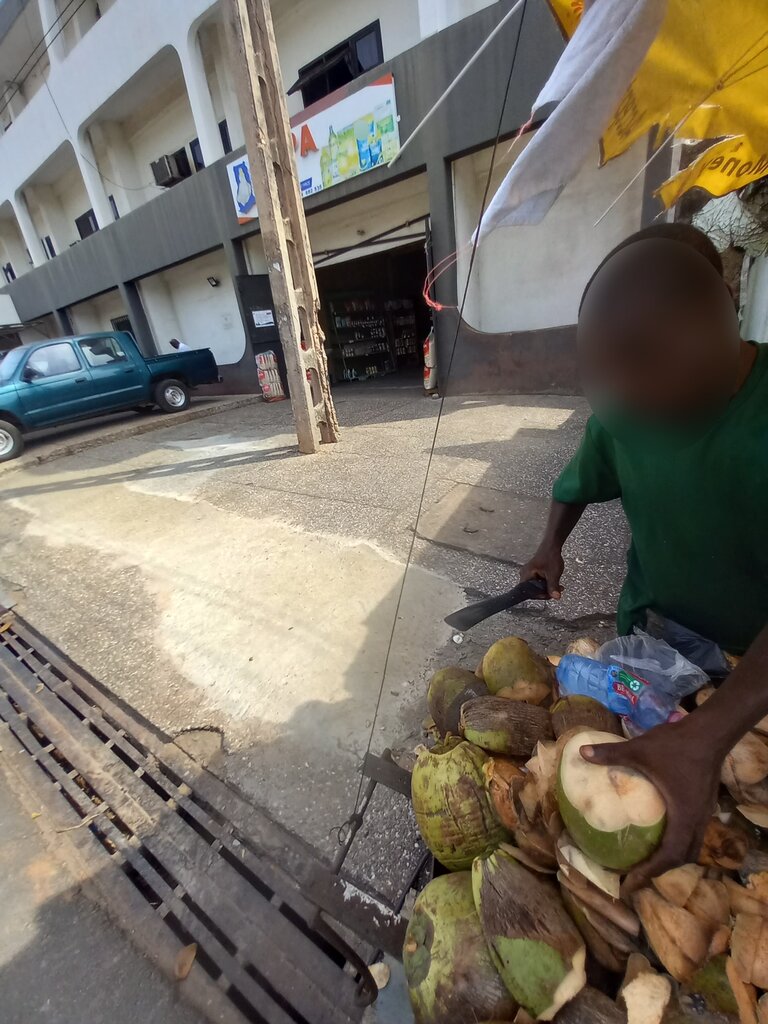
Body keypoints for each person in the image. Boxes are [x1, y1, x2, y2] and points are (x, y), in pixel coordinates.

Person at [520, 223, 768, 891]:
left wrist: (711, 732)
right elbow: (579, 480)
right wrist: (551, 544)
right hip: (654, 642)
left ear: (718, 319)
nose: (628, 401)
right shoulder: (628, 408)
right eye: (608, 374)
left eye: (645, 361)